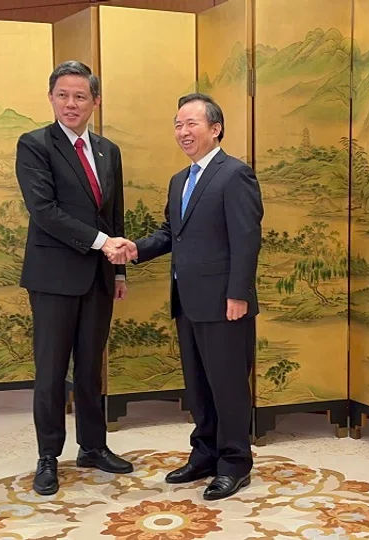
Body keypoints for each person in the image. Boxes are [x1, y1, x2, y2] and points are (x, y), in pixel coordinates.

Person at [109, 93, 264, 501]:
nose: (182, 132)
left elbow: (246, 240)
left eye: (191, 123)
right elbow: (170, 233)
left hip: (225, 303)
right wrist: (136, 249)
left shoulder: (236, 175)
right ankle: (205, 454)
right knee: (198, 386)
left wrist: (238, 294)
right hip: (188, 301)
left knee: (228, 386)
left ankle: (235, 464)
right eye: (178, 125)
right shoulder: (180, 179)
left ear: (216, 128)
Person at [14, 60, 133, 496]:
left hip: (99, 276)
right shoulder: (34, 145)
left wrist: (118, 269)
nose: (71, 103)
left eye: (80, 96)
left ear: (95, 102)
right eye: (62, 95)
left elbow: (114, 213)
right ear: (51, 98)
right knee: (50, 371)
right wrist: (103, 243)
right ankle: (48, 456)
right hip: (53, 277)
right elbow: (44, 211)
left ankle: (93, 446)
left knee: (90, 366)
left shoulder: (108, 150)